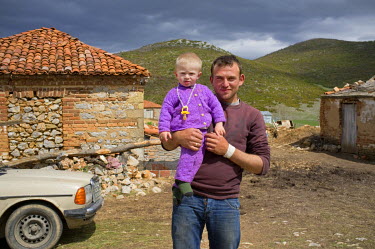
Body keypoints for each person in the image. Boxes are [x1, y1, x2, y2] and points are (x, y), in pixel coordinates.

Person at [161, 55, 271, 249]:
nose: (225, 84)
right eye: (219, 78)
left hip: (226, 202)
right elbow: (167, 144)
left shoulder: (252, 116)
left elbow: (262, 166)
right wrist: (178, 137)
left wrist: (227, 150)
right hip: (187, 198)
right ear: (210, 79)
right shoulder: (189, 103)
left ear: (241, 79)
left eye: (231, 78)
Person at [158, 52, 226, 197]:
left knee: (198, 157)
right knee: (189, 154)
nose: (187, 77)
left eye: (191, 73)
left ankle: (179, 186)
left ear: (198, 75)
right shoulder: (173, 93)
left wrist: (219, 124)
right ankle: (182, 180)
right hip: (184, 130)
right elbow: (165, 112)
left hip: (203, 130)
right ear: (176, 75)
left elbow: (216, 107)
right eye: (183, 73)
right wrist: (164, 129)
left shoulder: (205, 91)